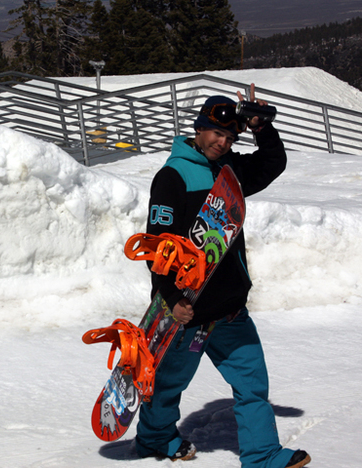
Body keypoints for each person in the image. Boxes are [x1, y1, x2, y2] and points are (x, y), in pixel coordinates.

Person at [135, 85, 311, 468]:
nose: (222, 142)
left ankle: (262, 455)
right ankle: (154, 437)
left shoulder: (229, 172)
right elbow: (156, 245)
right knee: (168, 384)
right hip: (188, 309)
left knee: (252, 385)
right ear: (198, 129)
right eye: (216, 134)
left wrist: (261, 127)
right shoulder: (173, 177)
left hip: (229, 306)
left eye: (231, 137)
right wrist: (169, 297)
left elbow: (271, 164)